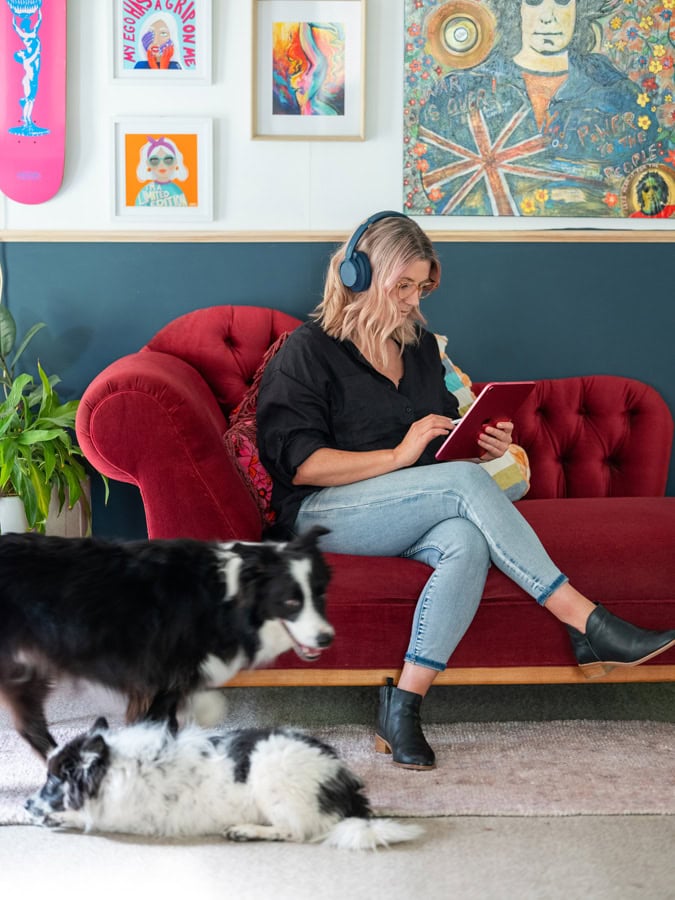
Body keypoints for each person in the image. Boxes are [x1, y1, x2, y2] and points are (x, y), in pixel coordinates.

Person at [256, 210, 675, 771]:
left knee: (465, 541)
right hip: (323, 512)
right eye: (400, 285)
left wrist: (485, 445)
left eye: (420, 286)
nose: (410, 300)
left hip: (407, 507)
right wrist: (401, 455)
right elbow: (301, 465)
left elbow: (438, 452)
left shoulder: (420, 347)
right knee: (462, 487)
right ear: (357, 275)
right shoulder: (306, 352)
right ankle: (588, 622)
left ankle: (402, 704)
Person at [416, 0, 663, 216]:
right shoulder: (465, 89)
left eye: (562, 1)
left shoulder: (617, 93)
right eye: (533, 1)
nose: (549, 17)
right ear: (515, 8)